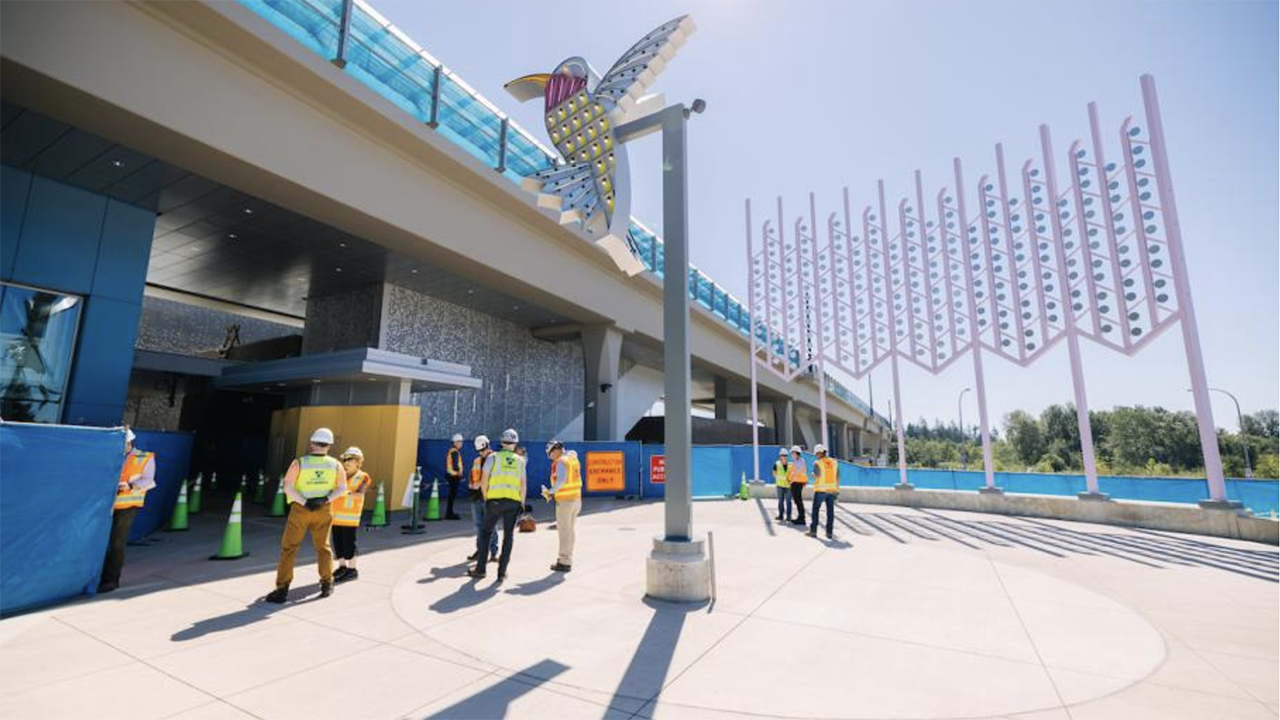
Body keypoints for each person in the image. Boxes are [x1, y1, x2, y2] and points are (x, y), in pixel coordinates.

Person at [266, 428, 348, 603]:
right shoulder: (336, 465)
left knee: (289, 548)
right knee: (323, 548)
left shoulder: (299, 463)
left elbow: (287, 487)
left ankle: (282, 590)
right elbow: (342, 489)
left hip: (300, 510)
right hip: (324, 509)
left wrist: (305, 502)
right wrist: (324, 499)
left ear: (311, 444)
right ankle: (327, 584)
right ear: (330, 445)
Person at [98, 428, 156, 593]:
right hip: (105, 507)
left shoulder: (144, 458)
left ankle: (110, 580)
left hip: (127, 507)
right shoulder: (111, 455)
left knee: (116, 544)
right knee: (100, 543)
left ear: (129, 442)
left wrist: (129, 486)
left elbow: (149, 480)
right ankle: (97, 577)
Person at [467, 428, 526, 582]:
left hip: (494, 501)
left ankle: (480, 569)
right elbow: (523, 484)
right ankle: (502, 572)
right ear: (515, 443)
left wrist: (487, 497)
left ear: (501, 442)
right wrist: (522, 503)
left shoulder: (493, 457)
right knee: (508, 536)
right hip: (513, 502)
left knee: (485, 533)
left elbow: (484, 478)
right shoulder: (520, 460)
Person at [332, 447, 372, 583]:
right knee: (338, 544)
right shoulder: (340, 474)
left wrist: (344, 492)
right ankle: (342, 567)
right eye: (345, 459)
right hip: (335, 517)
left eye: (350, 459)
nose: (346, 462)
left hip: (350, 519)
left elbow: (360, 494)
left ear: (358, 462)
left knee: (349, 544)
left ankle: (352, 570)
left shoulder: (363, 477)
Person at [542, 441, 581, 572]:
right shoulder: (572, 458)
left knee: (564, 531)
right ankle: (568, 557)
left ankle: (564, 561)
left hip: (565, 501)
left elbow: (561, 480)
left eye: (550, 454)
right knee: (570, 531)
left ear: (555, 450)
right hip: (576, 499)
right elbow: (573, 454)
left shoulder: (561, 462)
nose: (550, 457)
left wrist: (550, 492)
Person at [467, 435, 499, 563]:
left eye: (482, 450)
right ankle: (480, 550)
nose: (481, 453)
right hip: (476, 497)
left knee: (492, 526)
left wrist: (480, 484)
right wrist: (472, 486)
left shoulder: (496, 459)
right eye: (479, 451)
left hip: (490, 497)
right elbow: (472, 477)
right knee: (479, 526)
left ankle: (493, 552)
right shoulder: (477, 461)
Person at [806, 443, 838, 540]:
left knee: (815, 511)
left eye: (816, 453)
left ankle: (813, 531)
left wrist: (812, 474)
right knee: (830, 512)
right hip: (831, 490)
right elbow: (836, 476)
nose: (816, 455)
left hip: (821, 490)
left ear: (820, 453)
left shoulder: (818, 463)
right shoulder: (834, 462)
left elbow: (817, 475)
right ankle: (829, 533)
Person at [444, 433, 464, 520]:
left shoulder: (452, 451)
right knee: (452, 496)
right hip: (453, 476)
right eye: (459, 442)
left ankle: (449, 513)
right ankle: (449, 514)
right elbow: (455, 465)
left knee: (451, 496)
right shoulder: (454, 452)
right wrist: (459, 472)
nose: (461, 444)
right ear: (455, 442)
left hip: (451, 475)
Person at [787, 445, 808, 526]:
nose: (791, 455)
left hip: (797, 483)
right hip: (796, 483)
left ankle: (801, 518)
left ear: (796, 453)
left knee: (798, 501)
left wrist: (791, 480)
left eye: (792, 453)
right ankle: (800, 517)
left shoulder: (799, 461)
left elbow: (797, 472)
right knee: (797, 501)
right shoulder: (797, 461)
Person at [772, 447, 791, 522]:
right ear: (780, 456)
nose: (784, 457)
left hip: (788, 486)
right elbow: (774, 473)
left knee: (788, 501)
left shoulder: (791, 464)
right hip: (780, 485)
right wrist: (778, 478)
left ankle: (789, 516)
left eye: (785, 455)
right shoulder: (777, 464)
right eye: (782, 455)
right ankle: (781, 515)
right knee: (780, 501)